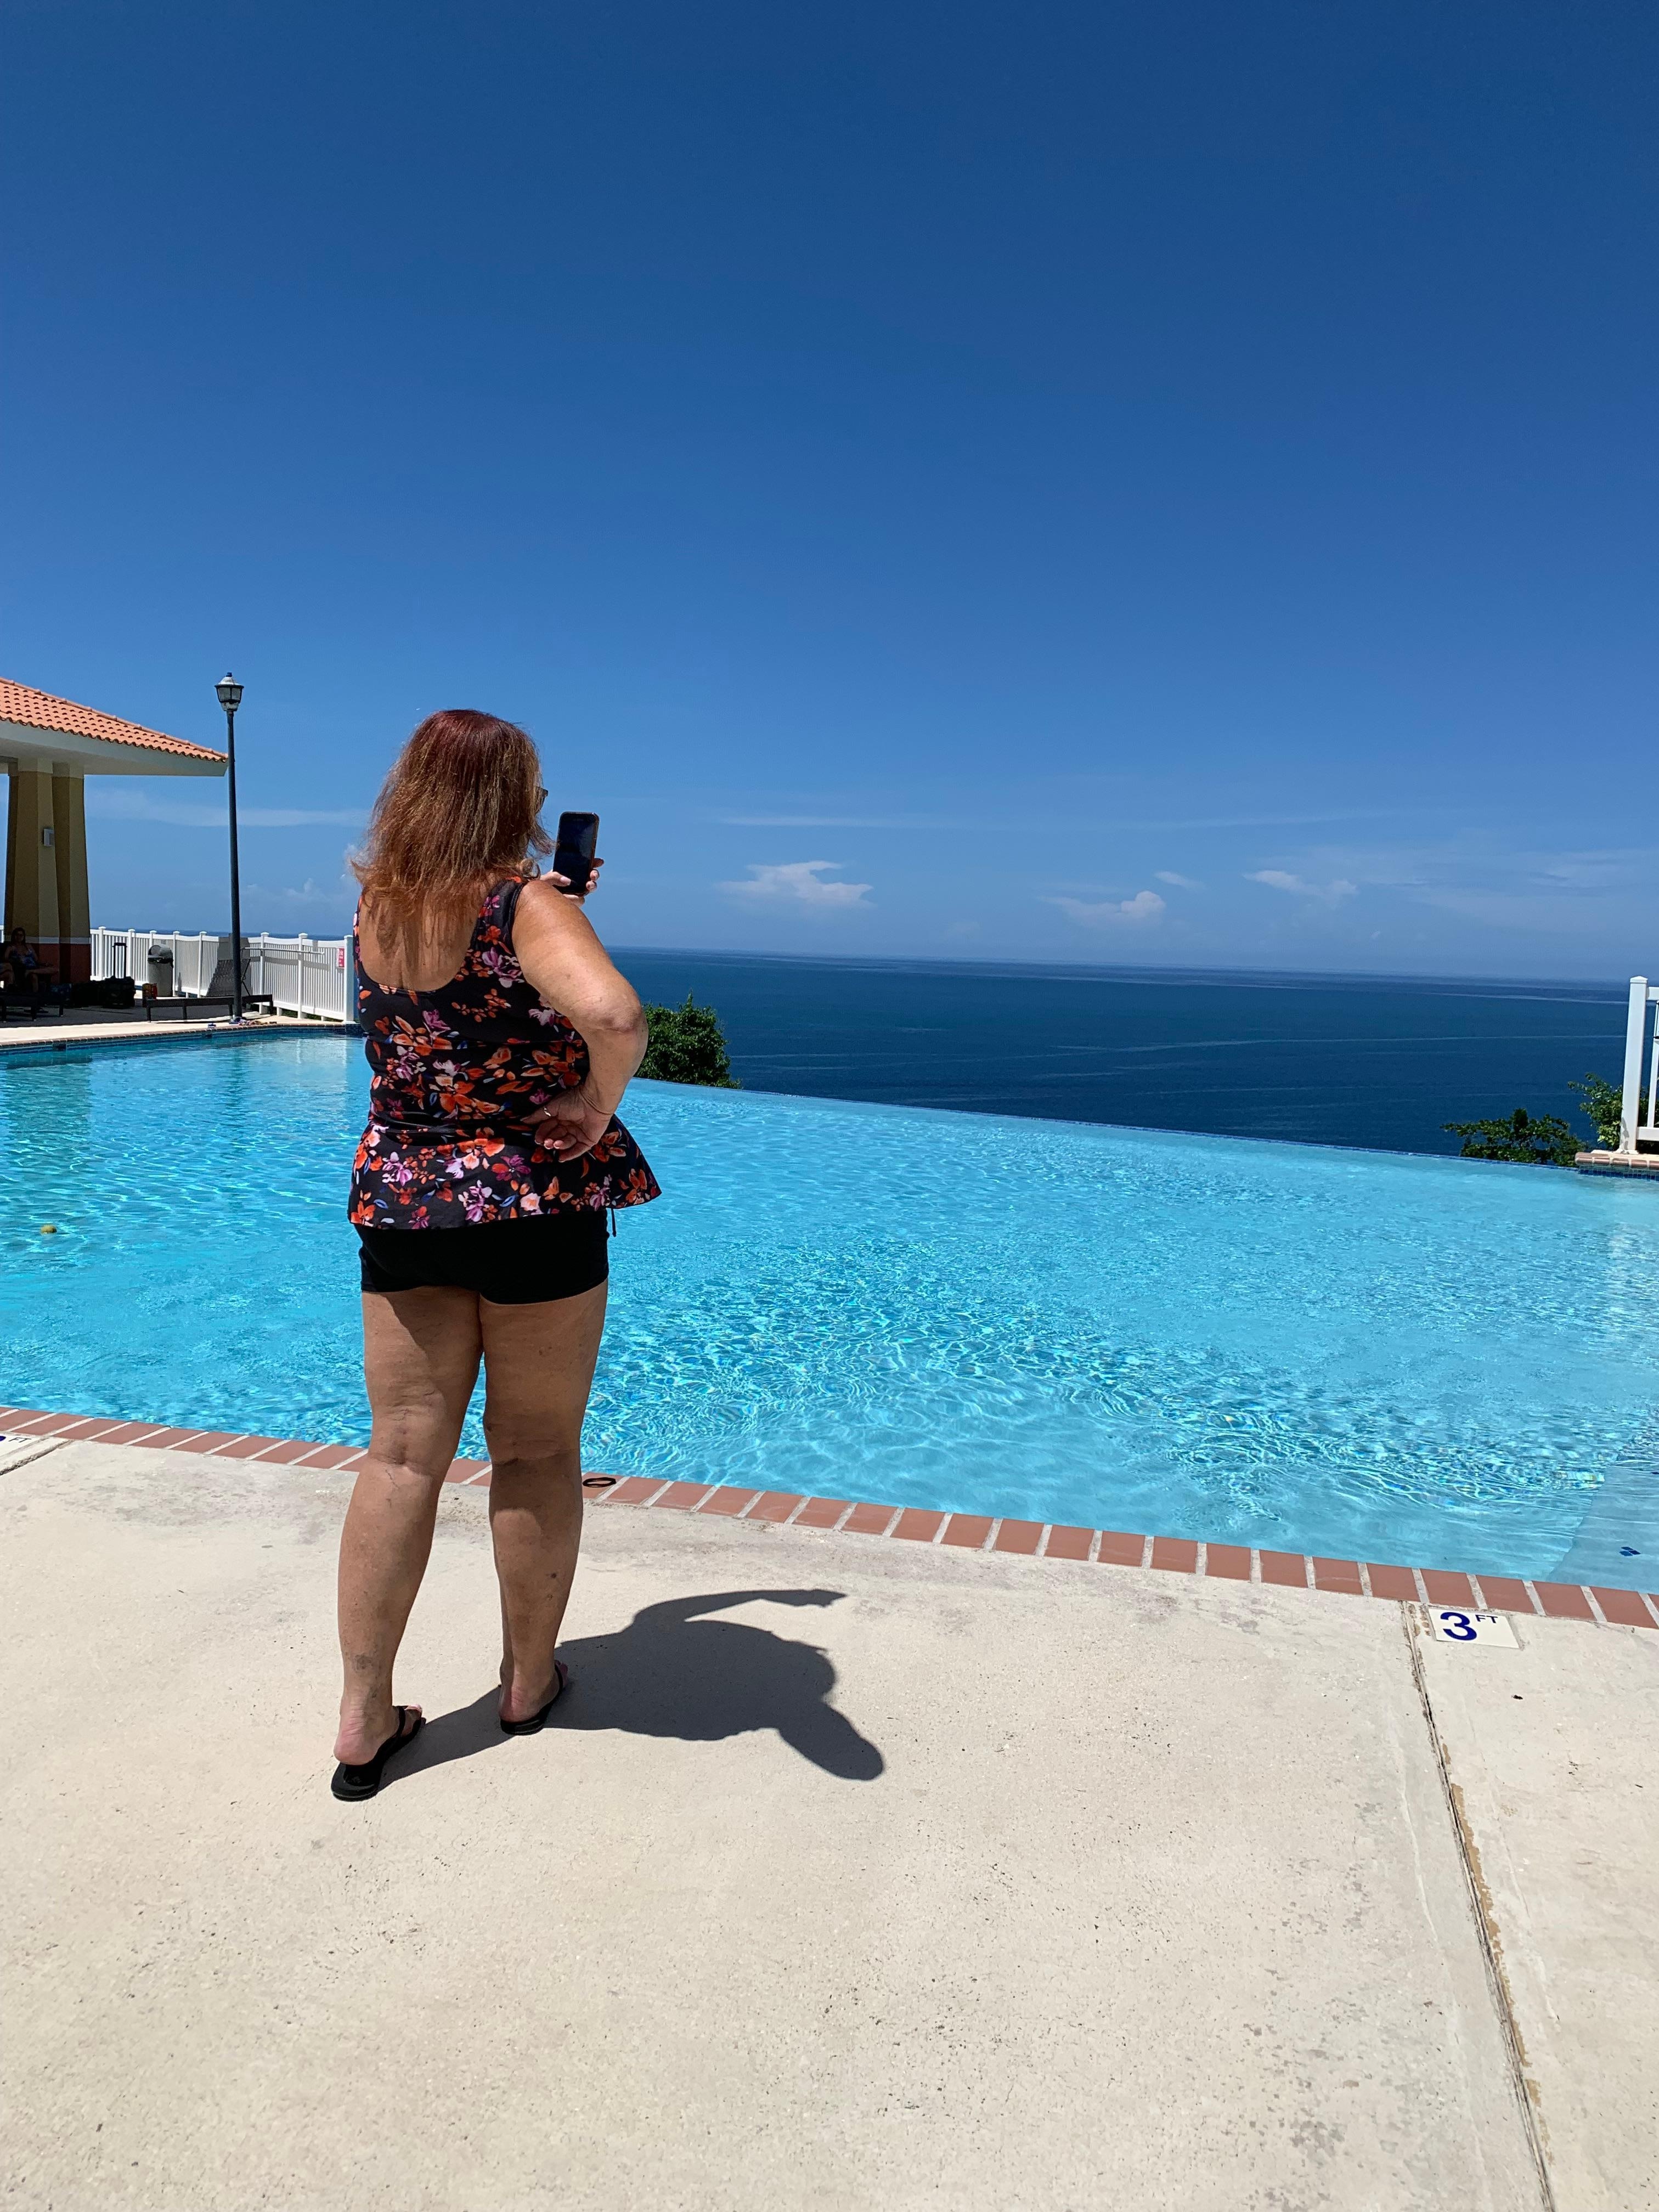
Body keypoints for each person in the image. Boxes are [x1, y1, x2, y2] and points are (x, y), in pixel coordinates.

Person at [331, 709, 658, 1801]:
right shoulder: (521, 904)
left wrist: (551, 911)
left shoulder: (376, 904)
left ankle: (364, 1715)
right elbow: (613, 1014)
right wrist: (594, 1107)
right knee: (531, 1452)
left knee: (400, 1459)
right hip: (532, 1206)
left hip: (410, 1202)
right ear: (514, 800)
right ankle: (526, 1682)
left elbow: (465, 998)